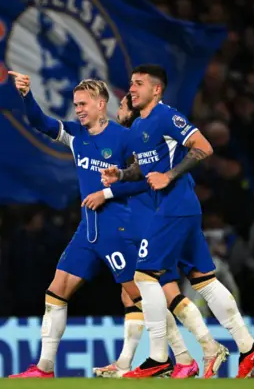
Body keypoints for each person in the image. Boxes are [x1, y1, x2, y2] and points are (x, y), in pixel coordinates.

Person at [7, 72, 201, 379]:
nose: (78, 109)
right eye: (75, 104)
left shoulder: (125, 138)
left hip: (118, 230)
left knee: (139, 296)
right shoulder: (75, 135)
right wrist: (26, 95)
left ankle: (183, 357)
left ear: (101, 104)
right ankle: (44, 368)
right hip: (88, 230)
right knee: (56, 291)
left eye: (83, 104)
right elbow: (40, 123)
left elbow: (145, 184)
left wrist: (107, 192)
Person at [101, 65, 254, 378]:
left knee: (144, 275)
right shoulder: (139, 126)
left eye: (138, 84)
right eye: (131, 84)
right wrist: (121, 174)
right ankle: (249, 346)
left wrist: (170, 174)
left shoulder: (167, 116)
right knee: (204, 279)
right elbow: (142, 168)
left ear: (156, 89)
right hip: (175, 207)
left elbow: (204, 146)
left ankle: (159, 357)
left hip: (176, 205)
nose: (131, 90)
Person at [92, 94, 229, 378]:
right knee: (132, 294)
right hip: (138, 222)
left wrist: (108, 191)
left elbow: (145, 183)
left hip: (153, 221)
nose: (119, 110)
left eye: (122, 105)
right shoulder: (136, 137)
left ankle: (198, 349)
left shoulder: (142, 137)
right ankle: (134, 362)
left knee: (164, 289)